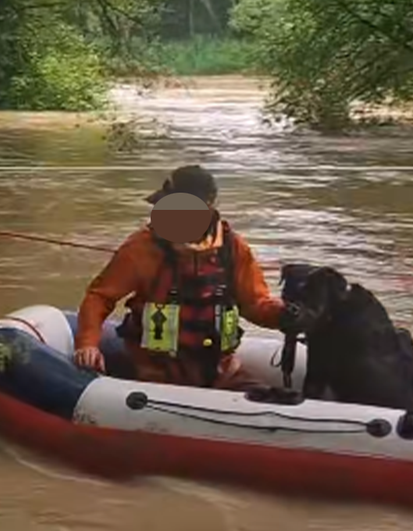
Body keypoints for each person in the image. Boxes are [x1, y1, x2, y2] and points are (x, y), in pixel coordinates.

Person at [73, 165, 300, 390]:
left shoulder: (233, 248)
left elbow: (254, 304)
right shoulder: (141, 247)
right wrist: (87, 345)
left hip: (222, 371)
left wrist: (284, 315)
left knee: (268, 404)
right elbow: (100, 297)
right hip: (152, 374)